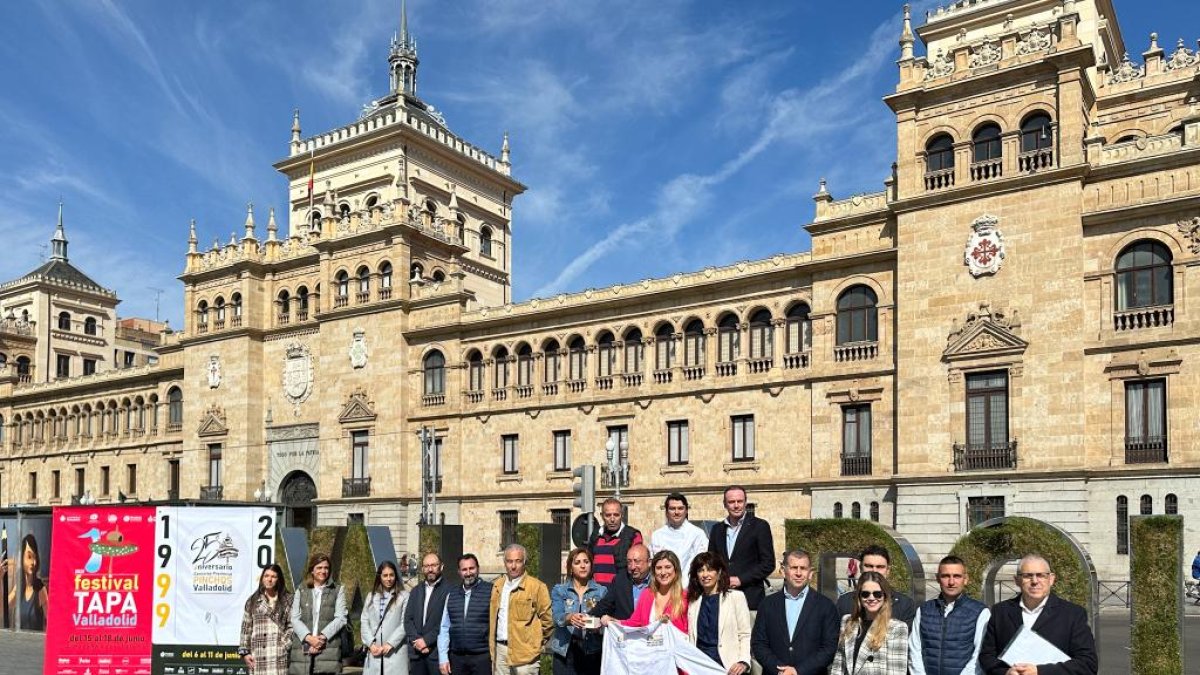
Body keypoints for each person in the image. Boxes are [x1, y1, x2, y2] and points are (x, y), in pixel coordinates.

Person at [977, 555, 1097, 675]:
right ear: (1017, 580)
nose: (1034, 581)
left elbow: (1087, 664)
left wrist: (1039, 671)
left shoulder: (1073, 614)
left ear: (1051, 579)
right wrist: (1005, 672)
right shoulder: (1000, 611)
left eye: (1041, 575)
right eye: (1027, 576)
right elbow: (987, 656)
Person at [750, 550, 839, 675]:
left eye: (803, 568)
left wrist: (798, 671)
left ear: (810, 573)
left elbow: (829, 648)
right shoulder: (767, 604)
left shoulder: (826, 606)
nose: (798, 573)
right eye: (793, 568)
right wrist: (780, 670)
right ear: (783, 571)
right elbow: (759, 643)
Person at [909, 556, 989, 675]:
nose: (951, 582)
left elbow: (979, 655)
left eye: (957, 576)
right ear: (937, 578)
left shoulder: (980, 612)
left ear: (966, 579)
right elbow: (915, 650)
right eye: (945, 576)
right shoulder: (923, 610)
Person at [489, 544, 553, 675]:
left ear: (524, 562)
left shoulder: (536, 587)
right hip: (500, 652)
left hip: (526, 655)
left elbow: (548, 621)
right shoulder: (498, 586)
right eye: (509, 561)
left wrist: (535, 644)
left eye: (518, 561)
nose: (513, 566)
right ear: (504, 562)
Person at [707, 486, 774, 612]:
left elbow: (768, 564)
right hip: (722, 597)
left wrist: (741, 579)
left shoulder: (760, 526)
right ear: (725, 504)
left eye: (740, 501)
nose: (736, 505)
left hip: (750, 598)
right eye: (731, 502)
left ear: (745, 502)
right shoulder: (717, 529)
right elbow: (711, 562)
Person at [829, 572, 909, 675]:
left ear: (885, 596)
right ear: (859, 597)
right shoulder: (847, 621)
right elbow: (838, 665)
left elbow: (897, 671)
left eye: (877, 594)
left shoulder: (897, 628)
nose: (871, 598)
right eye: (865, 594)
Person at [685, 552, 752, 675]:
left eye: (710, 570)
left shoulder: (736, 597)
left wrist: (743, 661)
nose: (705, 575)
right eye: (700, 570)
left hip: (728, 667)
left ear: (719, 572)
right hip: (699, 666)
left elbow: (745, 634)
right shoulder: (693, 602)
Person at [289, 553, 348, 675]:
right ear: (312, 570)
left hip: (328, 648)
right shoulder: (301, 589)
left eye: (326, 568)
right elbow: (294, 618)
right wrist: (309, 638)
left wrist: (321, 638)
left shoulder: (338, 590)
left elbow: (341, 618)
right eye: (319, 567)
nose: (323, 571)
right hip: (302, 650)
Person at [550, 548, 606, 675]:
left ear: (591, 565)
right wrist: (569, 617)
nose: (582, 566)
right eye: (577, 562)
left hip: (592, 652)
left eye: (586, 562)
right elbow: (556, 616)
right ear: (570, 567)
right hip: (565, 652)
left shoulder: (601, 591)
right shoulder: (560, 590)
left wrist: (599, 626)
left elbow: (606, 622)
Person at [438, 554, 494, 675]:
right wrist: (443, 658)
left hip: (482, 658)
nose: (468, 573)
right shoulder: (451, 595)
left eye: (471, 568)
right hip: (457, 658)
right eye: (464, 569)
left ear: (478, 569)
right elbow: (444, 628)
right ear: (459, 572)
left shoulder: (491, 591)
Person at [835, 546, 916, 627]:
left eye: (880, 567)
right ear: (860, 568)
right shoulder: (844, 602)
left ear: (888, 571)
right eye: (869, 566)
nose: (874, 571)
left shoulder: (905, 605)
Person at [239, 564, 293, 675]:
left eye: (274, 576)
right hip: (258, 655)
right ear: (262, 578)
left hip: (279, 654)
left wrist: (285, 644)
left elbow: (292, 625)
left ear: (279, 579)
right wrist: (245, 652)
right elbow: (246, 628)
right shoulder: (253, 600)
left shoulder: (288, 599)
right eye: (266, 576)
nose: (269, 579)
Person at [650, 492, 709, 589]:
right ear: (666, 511)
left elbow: (702, 563)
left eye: (680, 508)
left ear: (686, 511)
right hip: (664, 588)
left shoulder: (697, 534)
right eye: (672, 509)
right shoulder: (657, 535)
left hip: (690, 588)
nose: (676, 512)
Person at [406, 553, 451, 675]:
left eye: (434, 565)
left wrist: (426, 641)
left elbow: (446, 623)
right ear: (422, 569)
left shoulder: (450, 591)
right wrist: (417, 641)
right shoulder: (415, 591)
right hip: (416, 655)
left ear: (441, 566)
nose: (430, 569)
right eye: (426, 566)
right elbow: (408, 620)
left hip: (436, 655)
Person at [622, 550, 688, 633]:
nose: (663, 572)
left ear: (676, 570)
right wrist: (612, 622)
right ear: (653, 571)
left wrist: (669, 625)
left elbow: (689, 631)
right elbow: (633, 623)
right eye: (659, 568)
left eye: (668, 567)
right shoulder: (646, 594)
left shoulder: (685, 597)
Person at [362, 561, 410, 674]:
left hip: (395, 652)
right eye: (385, 575)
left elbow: (405, 623)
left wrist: (390, 643)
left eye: (391, 575)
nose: (389, 579)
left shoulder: (404, 596)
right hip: (374, 651)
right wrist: (370, 643)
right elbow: (364, 621)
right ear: (380, 577)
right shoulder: (371, 596)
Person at [583, 543, 650, 623]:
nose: (632, 567)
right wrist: (586, 618)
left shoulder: (657, 582)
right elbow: (605, 605)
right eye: (629, 562)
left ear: (649, 562)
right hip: (625, 633)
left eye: (637, 562)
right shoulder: (620, 580)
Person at [588, 498, 643, 586]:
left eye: (616, 515)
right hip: (597, 593)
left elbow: (639, 565)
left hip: (620, 592)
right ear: (602, 516)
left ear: (622, 515)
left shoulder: (633, 536)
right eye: (608, 515)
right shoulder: (595, 536)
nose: (612, 519)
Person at [2, 534, 47, 631]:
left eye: (35, 557)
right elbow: (2, 608)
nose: (33, 562)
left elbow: (51, 621)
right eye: (29, 556)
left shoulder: (40, 588)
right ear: (21, 558)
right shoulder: (19, 587)